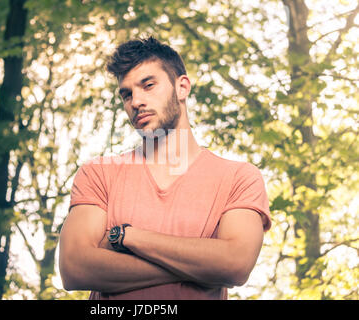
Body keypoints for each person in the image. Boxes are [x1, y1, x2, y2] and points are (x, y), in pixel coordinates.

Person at [59, 36, 271, 300]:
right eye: (126, 94)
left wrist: (126, 237)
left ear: (182, 87)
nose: (135, 101)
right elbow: (74, 268)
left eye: (148, 85)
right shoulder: (99, 174)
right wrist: (201, 266)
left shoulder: (239, 177)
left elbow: (235, 264)